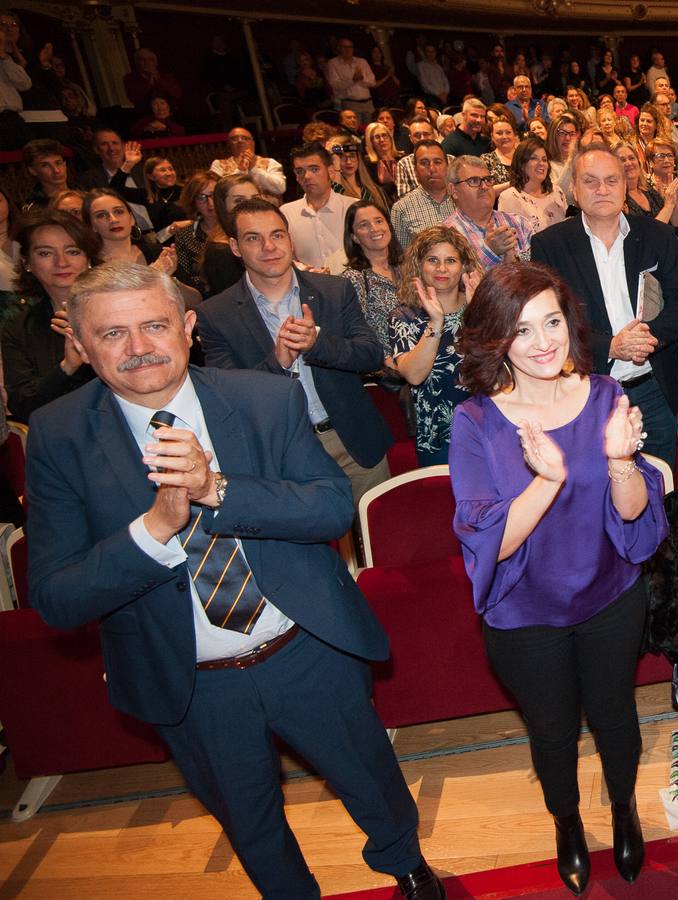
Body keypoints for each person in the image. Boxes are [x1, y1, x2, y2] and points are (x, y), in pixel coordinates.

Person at [25, 261, 444, 900]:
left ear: (188, 328)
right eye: (112, 335)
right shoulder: (57, 437)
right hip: (190, 681)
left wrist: (215, 490)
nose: (139, 348)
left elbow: (332, 506)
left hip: (304, 647)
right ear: (80, 348)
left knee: (370, 775)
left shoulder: (262, 397)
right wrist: (155, 531)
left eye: (154, 326)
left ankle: (407, 865)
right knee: (248, 820)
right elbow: (56, 598)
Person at [449, 261, 665, 895]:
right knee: (552, 732)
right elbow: (493, 538)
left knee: (615, 716)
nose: (544, 342)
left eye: (552, 322)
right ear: (496, 340)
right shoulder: (477, 424)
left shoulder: (604, 395)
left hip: (608, 596)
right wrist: (548, 478)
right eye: (522, 330)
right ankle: (568, 824)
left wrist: (623, 460)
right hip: (524, 614)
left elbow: (633, 513)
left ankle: (623, 808)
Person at [197, 198, 393, 503]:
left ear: (290, 239)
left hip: (352, 441)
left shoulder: (333, 289)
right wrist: (277, 363)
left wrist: (319, 343)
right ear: (235, 248)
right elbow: (225, 398)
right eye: (253, 238)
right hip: (285, 452)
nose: (269, 247)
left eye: (277, 235)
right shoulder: (216, 314)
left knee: (378, 540)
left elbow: (371, 355)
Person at [530, 144, 678, 467]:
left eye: (611, 180)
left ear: (625, 185)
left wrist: (645, 338)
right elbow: (550, 325)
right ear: (574, 189)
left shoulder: (657, 235)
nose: (602, 189)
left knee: (658, 486)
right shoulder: (549, 246)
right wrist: (612, 346)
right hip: (587, 392)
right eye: (590, 181)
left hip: (654, 388)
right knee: (598, 493)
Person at [389, 226, 481, 467]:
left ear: (464, 267)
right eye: (433, 260)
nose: (441, 268)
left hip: (486, 427)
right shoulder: (404, 316)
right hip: (437, 437)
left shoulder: (481, 309)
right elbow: (414, 376)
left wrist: (477, 315)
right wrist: (436, 323)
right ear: (419, 266)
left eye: (450, 260)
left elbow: (498, 370)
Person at [1, 210, 97, 421]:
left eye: (72, 251)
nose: (61, 262)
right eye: (45, 253)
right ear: (27, 263)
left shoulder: (120, 310)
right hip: (59, 435)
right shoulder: (19, 327)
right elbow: (20, 405)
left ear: (88, 257)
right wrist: (67, 367)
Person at [443, 154, 533, 269]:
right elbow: (452, 282)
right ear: (453, 190)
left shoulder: (520, 223)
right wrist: (489, 251)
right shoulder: (446, 235)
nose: (484, 186)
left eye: (488, 180)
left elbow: (537, 276)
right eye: (474, 181)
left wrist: (512, 261)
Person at [280, 142, 357, 270]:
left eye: (314, 169)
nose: (307, 176)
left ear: (331, 172)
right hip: (309, 285)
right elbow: (284, 256)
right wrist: (304, 270)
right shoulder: (286, 213)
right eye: (300, 171)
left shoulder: (354, 207)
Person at [340, 200, 403, 357]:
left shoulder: (407, 268)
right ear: (354, 237)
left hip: (424, 361)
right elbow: (356, 334)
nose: (374, 229)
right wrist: (385, 361)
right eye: (364, 225)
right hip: (387, 372)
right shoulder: (354, 279)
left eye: (379, 221)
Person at [389, 141, 456, 249]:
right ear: (415, 170)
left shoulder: (463, 198)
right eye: (424, 163)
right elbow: (402, 257)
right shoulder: (401, 208)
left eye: (438, 162)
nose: (432, 169)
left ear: (447, 166)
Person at [498, 136, 567, 234]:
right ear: (521, 164)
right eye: (534, 158)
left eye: (544, 159)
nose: (541, 163)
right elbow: (510, 240)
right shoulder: (509, 197)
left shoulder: (557, 191)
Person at [209, 127, 287, 196]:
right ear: (229, 144)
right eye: (234, 139)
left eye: (245, 138)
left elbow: (280, 188)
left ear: (253, 143)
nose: (240, 141)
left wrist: (254, 169)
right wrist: (240, 170)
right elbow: (217, 192)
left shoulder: (270, 162)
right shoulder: (218, 164)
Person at [326, 37, 377, 123]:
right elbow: (335, 85)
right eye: (344, 47)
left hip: (367, 103)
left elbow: (373, 82)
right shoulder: (333, 63)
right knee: (355, 131)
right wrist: (352, 80)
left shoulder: (362, 61)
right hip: (350, 103)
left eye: (350, 47)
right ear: (339, 48)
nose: (348, 50)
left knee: (369, 130)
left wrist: (360, 79)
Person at [393, 117, 438, 198]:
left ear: (434, 135)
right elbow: (403, 199)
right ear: (411, 138)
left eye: (426, 134)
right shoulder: (403, 164)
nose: (422, 139)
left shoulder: (450, 160)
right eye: (417, 135)